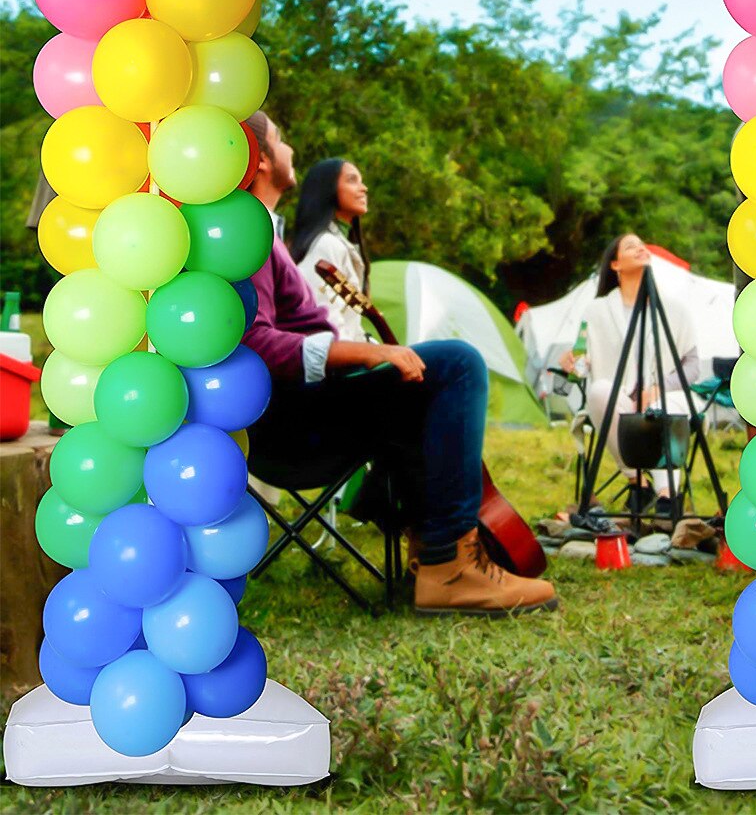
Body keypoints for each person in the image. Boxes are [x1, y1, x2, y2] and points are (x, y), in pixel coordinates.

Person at [241, 111, 557, 616]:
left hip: (298, 414)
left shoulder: (264, 235)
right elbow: (255, 344)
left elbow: (302, 331)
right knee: (456, 362)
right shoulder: (242, 232)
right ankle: (450, 566)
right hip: (286, 427)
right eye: (281, 140)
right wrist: (369, 351)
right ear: (258, 160)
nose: (292, 150)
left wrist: (370, 359)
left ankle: (433, 550)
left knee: (423, 379)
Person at [561, 234, 699, 516]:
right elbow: (582, 365)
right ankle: (637, 483)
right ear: (615, 265)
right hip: (620, 400)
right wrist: (572, 362)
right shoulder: (596, 311)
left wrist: (660, 387)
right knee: (599, 391)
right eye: (630, 246)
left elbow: (693, 365)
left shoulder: (674, 309)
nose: (641, 248)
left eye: (642, 245)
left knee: (658, 408)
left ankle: (666, 495)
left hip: (668, 398)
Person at [290, 158, 370, 342]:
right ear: (327, 189)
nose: (364, 188)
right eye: (352, 180)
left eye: (361, 180)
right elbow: (323, 317)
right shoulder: (325, 245)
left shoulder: (341, 245)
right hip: (338, 360)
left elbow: (351, 323)